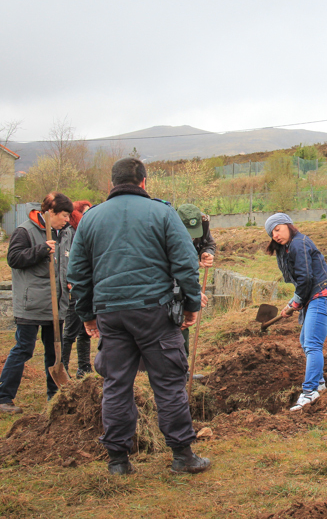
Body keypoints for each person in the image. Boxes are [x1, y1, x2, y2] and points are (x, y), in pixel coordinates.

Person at [67, 157, 210, 475]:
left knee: (116, 384)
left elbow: (77, 273)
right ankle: (182, 456)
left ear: (111, 184)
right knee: (169, 381)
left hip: (110, 313)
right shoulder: (162, 212)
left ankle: (118, 461)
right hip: (154, 312)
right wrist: (191, 307)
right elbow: (185, 263)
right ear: (144, 182)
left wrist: (88, 315)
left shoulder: (90, 219)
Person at [0, 193, 73, 414]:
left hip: (56, 305)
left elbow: (72, 260)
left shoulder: (67, 233)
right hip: (31, 304)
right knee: (24, 349)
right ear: (50, 212)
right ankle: (3, 397)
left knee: (55, 353)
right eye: (63, 215)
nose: (67, 219)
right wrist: (41, 250)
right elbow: (13, 259)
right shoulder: (25, 231)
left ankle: (56, 397)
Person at [265, 213, 327, 412]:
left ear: (288, 226)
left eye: (278, 229)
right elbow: (303, 281)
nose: (276, 235)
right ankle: (320, 384)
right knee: (306, 341)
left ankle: (310, 391)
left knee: (312, 344)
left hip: (323, 297)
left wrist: (295, 304)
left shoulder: (299, 243)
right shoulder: (291, 246)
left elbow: (306, 279)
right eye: (272, 233)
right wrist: (292, 302)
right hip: (316, 297)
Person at [177, 204, 216, 357]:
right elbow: (175, 265)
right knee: (175, 320)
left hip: (188, 279)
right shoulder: (166, 228)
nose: (192, 237)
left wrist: (207, 253)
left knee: (183, 322)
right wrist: (193, 293)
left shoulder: (204, 222)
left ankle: (182, 369)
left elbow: (209, 243)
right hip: (172, 283)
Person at [61, 200, 94, 379]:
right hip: (74, 286)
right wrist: (69, 279)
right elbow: (69, 260)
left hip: (85, 285)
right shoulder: (69, 233)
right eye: (84, 212)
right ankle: (63, 367)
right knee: (71, 329)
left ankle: (84, 366)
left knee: (84, 330)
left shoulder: (84, 231)